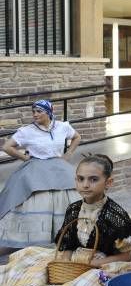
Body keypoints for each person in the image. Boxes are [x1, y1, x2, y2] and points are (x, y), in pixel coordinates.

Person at [0, 155, 131, 286]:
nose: (85, 185)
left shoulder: (115, 216)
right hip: (78, 258)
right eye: (81, 179)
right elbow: (66, 242)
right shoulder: (74, 209)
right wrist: (64, 261)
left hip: (106, 261)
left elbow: (130, 254)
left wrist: (96, 263)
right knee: (30, 255)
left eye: (93, 179)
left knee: (92, 280)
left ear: (108, 182)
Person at [0, 100, 81, 249]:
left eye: (39, 111)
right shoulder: (27, 131)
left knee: (75, 189)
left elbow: (77, 137)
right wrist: (25, 158)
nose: (35, 114)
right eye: (33, 111)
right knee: (24, 194)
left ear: (49, 112)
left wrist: (68, 153)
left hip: (59, 166)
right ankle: (35, 240)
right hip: (36, 166)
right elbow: (7, 147)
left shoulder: (62, 127)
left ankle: (66, 236)